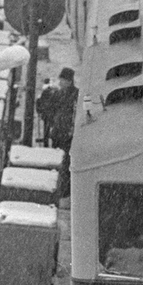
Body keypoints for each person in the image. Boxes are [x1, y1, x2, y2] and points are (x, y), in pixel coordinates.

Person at [50, 67, 79, 203]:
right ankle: (61, 190)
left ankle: (64, 192)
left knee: (65, 164)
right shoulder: (60, 94)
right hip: (59, 133)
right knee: (59, 162)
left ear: (69, 81)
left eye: (62, 80)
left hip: (67, 135)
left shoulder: (75, 96)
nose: (60, 82)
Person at [36, 78, 59, 147]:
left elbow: (39, 104)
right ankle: (53, 145)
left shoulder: (45, 92)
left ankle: (48, 144)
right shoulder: (54, 91)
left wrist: (40, 111)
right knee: (51, 130)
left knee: (47, 130)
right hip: (51, 114)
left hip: (48, 114)